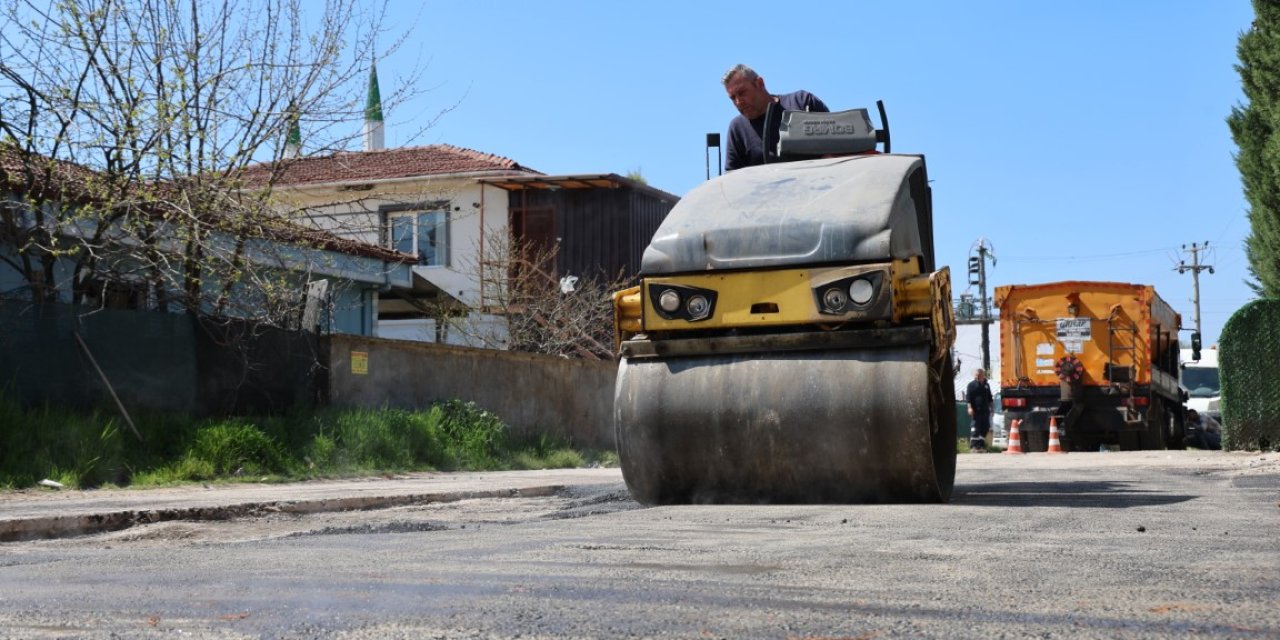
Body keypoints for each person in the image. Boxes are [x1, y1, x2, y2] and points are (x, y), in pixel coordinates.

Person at [722, 64, 829, 171]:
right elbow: (732, 176)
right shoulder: (738, 129)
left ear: (759, 83)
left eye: (741, 93)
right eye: (733, 98)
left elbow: (834, 148)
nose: (738, 102)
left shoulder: (802, 102)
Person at [966, 368, 995, 451]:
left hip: (985, 411)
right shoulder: (971, 385)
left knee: (985, 428)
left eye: (979, 375)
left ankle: (981, 446)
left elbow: (990, 398)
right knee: (975, 428)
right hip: (976, 411)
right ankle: (974, 446)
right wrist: (969, 408)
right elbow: (968, 398)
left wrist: (992, 408)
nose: (978, 376)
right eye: (976, 375)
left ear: (983, 375)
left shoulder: (987, 385)